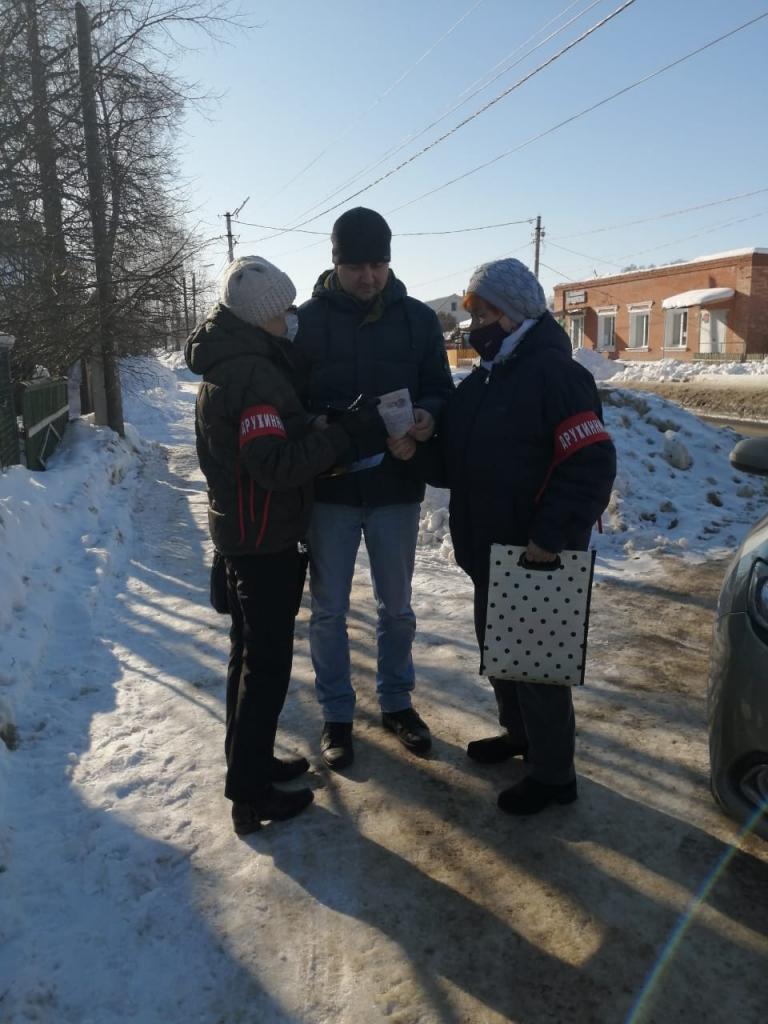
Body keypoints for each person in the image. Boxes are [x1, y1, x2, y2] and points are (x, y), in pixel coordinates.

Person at [389, 258, 616, 815]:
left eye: (483, 312)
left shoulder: (558, 376)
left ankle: (554, 774)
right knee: (503, 655)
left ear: (513, 314)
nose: (475, 324)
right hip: (489, 549)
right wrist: (420, 449)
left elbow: (591, 463)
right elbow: (458, 462)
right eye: (472, 312)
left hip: (535, 550)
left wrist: (551, 537)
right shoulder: (489, 377)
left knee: (538, 667)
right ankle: (520, 738)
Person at [185, 256, 378, 833]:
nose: (293, 317)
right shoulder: (254, 374)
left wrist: (310, 427)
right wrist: (340, 438)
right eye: (285, 309)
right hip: (264, 536)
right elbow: (271, 466)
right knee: (265, 669)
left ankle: (249, 763)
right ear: (261, 317)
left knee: (246, 658)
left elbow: (253, 446)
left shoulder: (231, 362)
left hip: (242, 530)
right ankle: (251, 795)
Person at [294, 207, 455, 770]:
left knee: (398, 610)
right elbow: (288, 398)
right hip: (332, 493)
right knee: (328, 612)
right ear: (336, 262)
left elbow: (439, 386)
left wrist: (428, 420)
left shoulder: (417, 319)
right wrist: (314, 424)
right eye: (356, 265)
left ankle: (396, 702)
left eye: (378, 263)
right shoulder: (307, 322)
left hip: (395, 486)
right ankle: (337, 713)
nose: (368, 276)